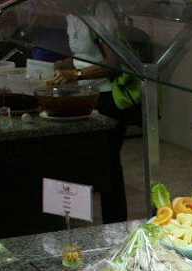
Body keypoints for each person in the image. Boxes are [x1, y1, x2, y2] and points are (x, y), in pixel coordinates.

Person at [51, 2, 139, 222]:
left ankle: (115, 224)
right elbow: (84, 55)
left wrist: (77, 75)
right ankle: (78, 222)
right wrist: (63, 64)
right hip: (85, 95)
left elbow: (112, 63)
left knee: (108, 164)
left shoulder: (100, 11)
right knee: (86, 160)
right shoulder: (71, 14)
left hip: (107, 97)